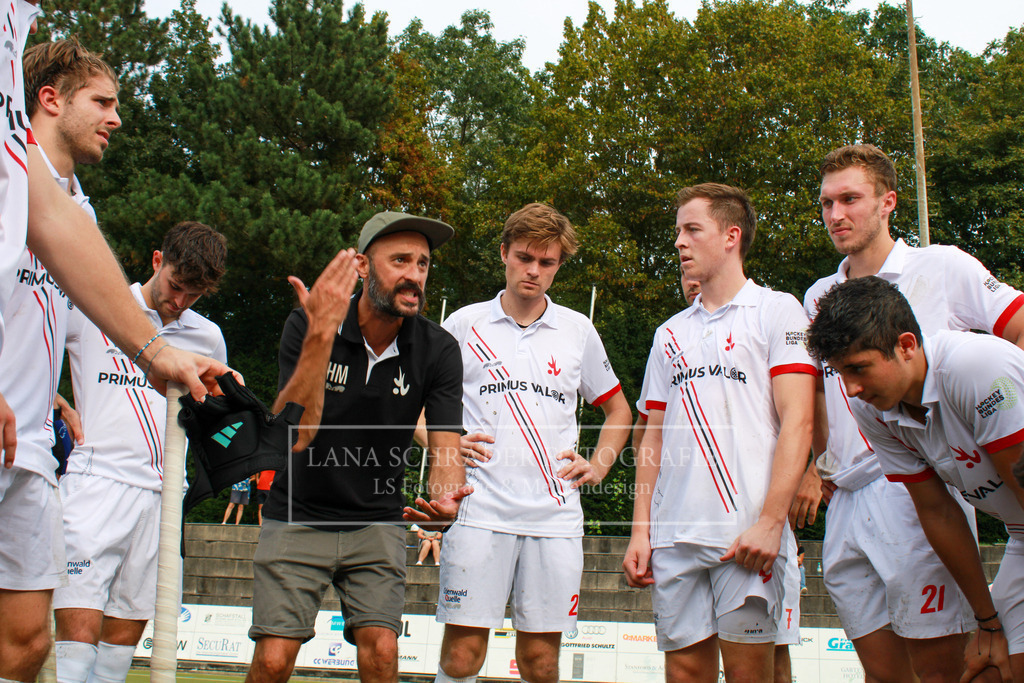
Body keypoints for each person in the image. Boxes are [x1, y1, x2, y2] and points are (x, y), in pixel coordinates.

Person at [802, 144, 1024, 682]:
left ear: (888, 202)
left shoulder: (941, 266)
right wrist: (812, 465)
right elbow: (818, 398)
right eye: (827, 203)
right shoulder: (820, 295)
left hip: (928, 479)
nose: (836, 215)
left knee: (950, 669)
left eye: (850, 199)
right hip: (854, 487)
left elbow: (1015, 330)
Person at [246, 212, 470, 683]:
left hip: (377, 519)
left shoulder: (439, 349)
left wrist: (445, 501)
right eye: (400, 260)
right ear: (364, 267)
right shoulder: (306, 322)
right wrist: (322, 334)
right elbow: (294, 433)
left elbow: (447, 448)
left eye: (424, 264)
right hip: (298, 511)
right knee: (272, 660)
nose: (415, 274)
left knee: (383, 651)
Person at [432, 203, 631, 683]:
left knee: (541, 664)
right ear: (504, 253)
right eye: (525, 258)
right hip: (479, 511)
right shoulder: (463, 325)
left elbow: (620, 409)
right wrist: (443, 442)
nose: (534, 271)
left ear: (559, 265)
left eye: (548, 263)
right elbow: (417, 407)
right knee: (462, 657)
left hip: (554, 516)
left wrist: (599, 465)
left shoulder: (577, 331)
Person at [624, 183, 816, 682]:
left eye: (692, 230)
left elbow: (799, 419)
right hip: (674, 538)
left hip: (745, 536)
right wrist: (641, 530)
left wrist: (773, 521)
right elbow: (653, 439)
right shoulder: (669, 333)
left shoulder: (778, 311)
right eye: (677, 232)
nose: (679, 243)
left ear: (731, 236)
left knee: (757, 674)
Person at [53, 221, 228, 683]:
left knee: (118, 650)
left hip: (162, 496)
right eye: (175, 286)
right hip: (95, 483)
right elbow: (35, 346)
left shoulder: (208, 336)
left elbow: (219, 420)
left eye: (194, 294)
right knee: (76, 642)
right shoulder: (99, 304)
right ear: (157, 260)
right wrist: (58, 401)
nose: (180, 302)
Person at [0, 36, 121, 682]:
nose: (116, 117)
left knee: (27, 642)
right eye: (102, 101)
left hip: (35, 445)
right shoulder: (5, 174)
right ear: (50, 99)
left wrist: (53, 393)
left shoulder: (82, 208)